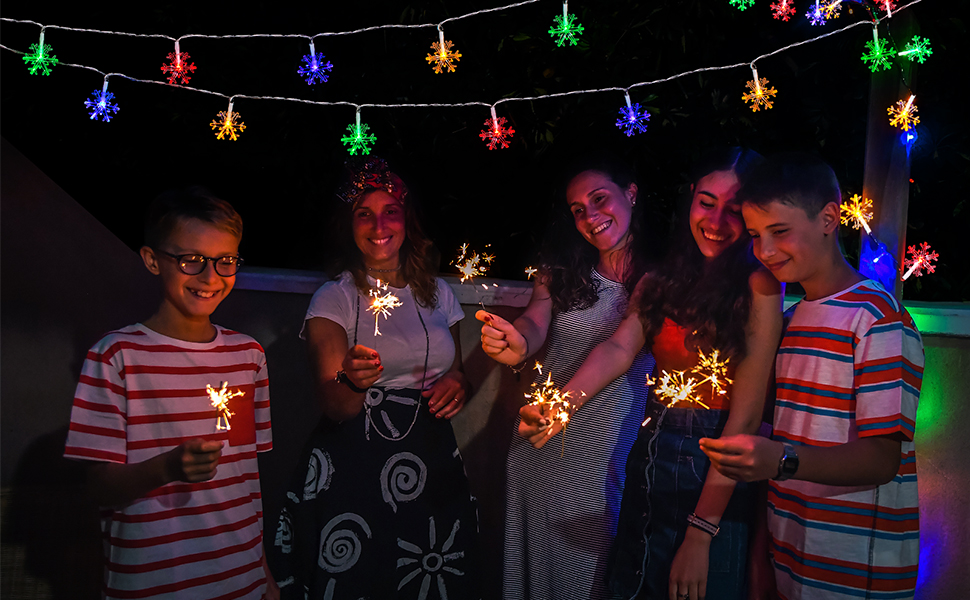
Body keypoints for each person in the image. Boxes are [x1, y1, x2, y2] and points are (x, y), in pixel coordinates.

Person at [522, 148, 782, 600]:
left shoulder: (759, 285)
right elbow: (620, 346)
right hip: (649, 456)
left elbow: (745, 419)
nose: (717, 220)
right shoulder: (661, 278)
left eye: (735, 209)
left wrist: (701, 534)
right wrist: (559, 406)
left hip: (714, 470)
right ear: (690, 201)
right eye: (706, 202)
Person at [700, 152, 924, 600]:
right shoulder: (791, 318)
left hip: (857, 569)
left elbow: (882, 459)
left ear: (828, 218)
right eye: (756, 235)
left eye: (780, 231)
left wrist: (782, 460)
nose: (764, 250)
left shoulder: (878, 318)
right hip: (792, 559)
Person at [270, 157, 479, 600]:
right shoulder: (336, 296)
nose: (378, 224)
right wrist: (353, 380)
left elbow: (458, 372)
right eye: (364, 213)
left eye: (390, 212)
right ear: (349, 225)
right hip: (355, 465)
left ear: (408, 221)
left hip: (432, 460)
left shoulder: (439, 292)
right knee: (361, 577)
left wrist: (459, 384)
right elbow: (335, 405)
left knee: (428, 575)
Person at [63, 187, 276, 599]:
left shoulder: (248, 356)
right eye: (191, 259)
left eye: (225, 261)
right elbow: (98, 489)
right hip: (153, 585)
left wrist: (262, 570)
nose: (210, 277)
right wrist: (167, 468)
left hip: (241, 579)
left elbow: (245, 478)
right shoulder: (116, 357)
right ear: (152, 260)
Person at [476, 156, 655, 600]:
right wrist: (517, 339)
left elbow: (618, 348)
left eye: (599, 199)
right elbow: (536, 322)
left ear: (630, 193)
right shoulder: (559, 269)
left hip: (598, 454)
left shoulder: (658, 279)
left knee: (587, 577)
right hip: (535, 442)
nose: (590, 216)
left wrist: (561, 406)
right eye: (577, 209)